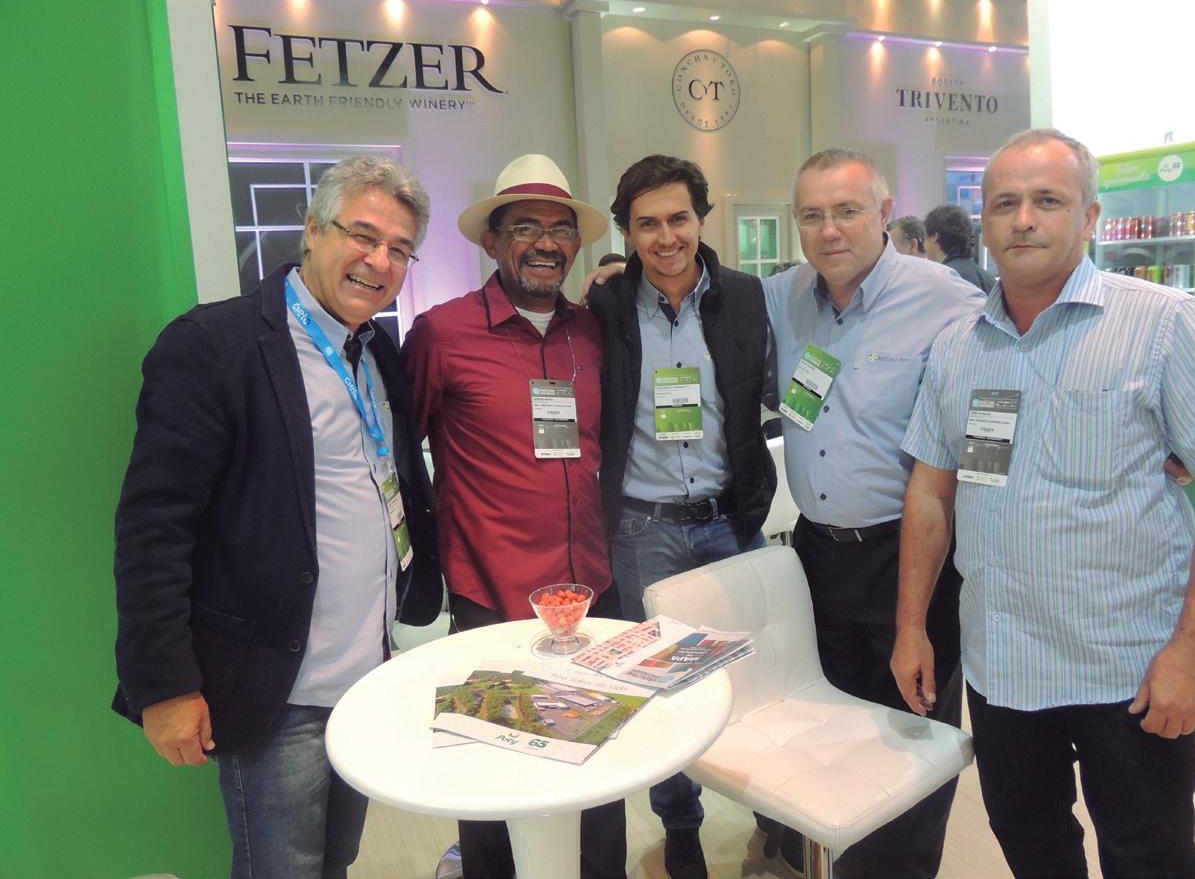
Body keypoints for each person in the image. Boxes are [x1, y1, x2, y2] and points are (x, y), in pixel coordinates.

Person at [893, 128, 1195, 879]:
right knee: (1033, 847)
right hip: (1002, 667)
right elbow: (930, 488)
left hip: (1128, 670)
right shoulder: (959, 344)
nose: (1023, 219)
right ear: (984, 222)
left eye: (1047, 200)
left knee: (1149, 856)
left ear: (1088, 217)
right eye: (1004, 203)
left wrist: (1193, 654)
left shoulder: (1161, 324)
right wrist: (912, 625)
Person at [113, 156, 443, 879]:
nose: (380, 261)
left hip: (366, 673)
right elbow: (153, 527)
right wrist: (163, 683)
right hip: (277, 685)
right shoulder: (215, 346)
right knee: (281, 868)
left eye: (400, 249)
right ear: (313, 229)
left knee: (337, 860)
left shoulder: (376, 349)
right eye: (364, 235)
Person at [402, 153, 625, 879]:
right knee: (492, 780)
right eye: (525, 226)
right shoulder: (441, 334)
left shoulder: (590, 333)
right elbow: (402, 456)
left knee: (599, 770)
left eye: (560, 229)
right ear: (492, 241)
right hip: (491, 595)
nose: (545, 243)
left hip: (590, 593)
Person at [764, 148, 985, 879]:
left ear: (885, 213)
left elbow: (1018, 374)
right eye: (812, 215)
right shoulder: (784, 296)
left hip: (910, 553)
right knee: (836, 728)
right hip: (817, 555)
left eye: (847, 211)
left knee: (911, 736)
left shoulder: (946, 298)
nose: (829, 230)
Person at [586, 154, 775, 879]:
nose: (665, 237)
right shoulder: (604, 308)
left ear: (701, 219)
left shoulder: (747, 297)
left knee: (752, 677)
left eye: (678, 219)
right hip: (644, 530)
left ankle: (773, 810)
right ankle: (682, 825)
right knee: (661, 685)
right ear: (626, 232)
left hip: (731, 522)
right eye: (647, 224)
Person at [924, 204, 995, 293]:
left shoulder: (944, 278)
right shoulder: (987, 278)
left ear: (935, 237)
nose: (924, 245)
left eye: (925, 238)